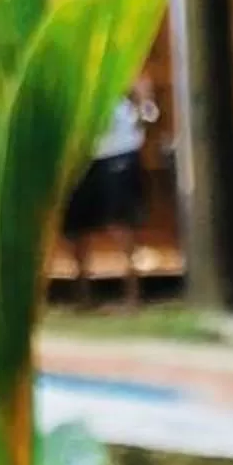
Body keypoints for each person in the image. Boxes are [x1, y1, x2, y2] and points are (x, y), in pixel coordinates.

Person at [65, 79, 154, 306]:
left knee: (120, 222)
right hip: (80, 152)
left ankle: (132, 295)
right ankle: (83, 295)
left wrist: (145, 113)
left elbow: (139, 83)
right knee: (77, 226)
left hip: (119, 148)